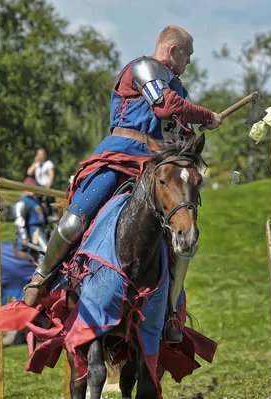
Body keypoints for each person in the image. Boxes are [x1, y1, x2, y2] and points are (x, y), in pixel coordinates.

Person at [23, 25, 223, 343]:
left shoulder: (180, 89)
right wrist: (204, 114)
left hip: (155, 167)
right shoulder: (144, 68)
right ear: (173, 50)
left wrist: (191, 134)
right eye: (188, 55)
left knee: (180, 239)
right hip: (119, 158)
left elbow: (175, 130)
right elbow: (164, 106)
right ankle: (41, 277)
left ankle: (169, 312)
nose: (189, 62)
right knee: (76, 219)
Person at [13, 177, 49, 257]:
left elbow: (40, 216)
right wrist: (24, 237)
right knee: (45, 251)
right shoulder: (22, 202)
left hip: (41, 229)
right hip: (34, 231)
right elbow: (20, 221)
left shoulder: (36, 201)